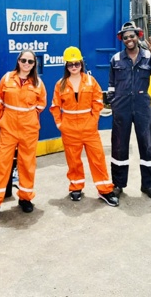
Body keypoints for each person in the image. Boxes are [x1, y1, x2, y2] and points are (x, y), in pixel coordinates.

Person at [0, 50, 47, 224]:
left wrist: (29, 117)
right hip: (8, 128)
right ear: (18, 61)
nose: (26, 63)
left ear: (34, 64)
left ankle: (25, 198)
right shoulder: (7, 78)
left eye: (30, 61)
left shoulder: (38, 83)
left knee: (27, 164)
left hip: (29, 130)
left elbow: (41, 104)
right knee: (2, 165)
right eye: (23, 60)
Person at [107, 21, 151, 200]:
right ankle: (118, 184)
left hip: (142, 106)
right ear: (122, 39)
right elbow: (111, 85)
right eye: (125, 37)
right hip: (122, 107)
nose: (129, 39)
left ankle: (148, 185)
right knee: (119, 146)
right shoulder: (116, 59)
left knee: (146, 145)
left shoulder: (149, 56)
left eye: (132, 36)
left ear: (138, 36)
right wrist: (114, 102)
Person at [50, 46, 118, 206]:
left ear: (81, 63)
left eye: (77, 63)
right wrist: (60, 124)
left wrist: (93, 120)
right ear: (66, 66)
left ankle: (105, 190)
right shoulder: (60, 84)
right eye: (70, 64)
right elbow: (54, 107)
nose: (74, 67)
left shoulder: (90, 81)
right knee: (73, 161)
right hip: (69, 130)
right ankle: (76, 187)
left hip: (89, 129)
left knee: (98, 159)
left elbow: (98, 102)